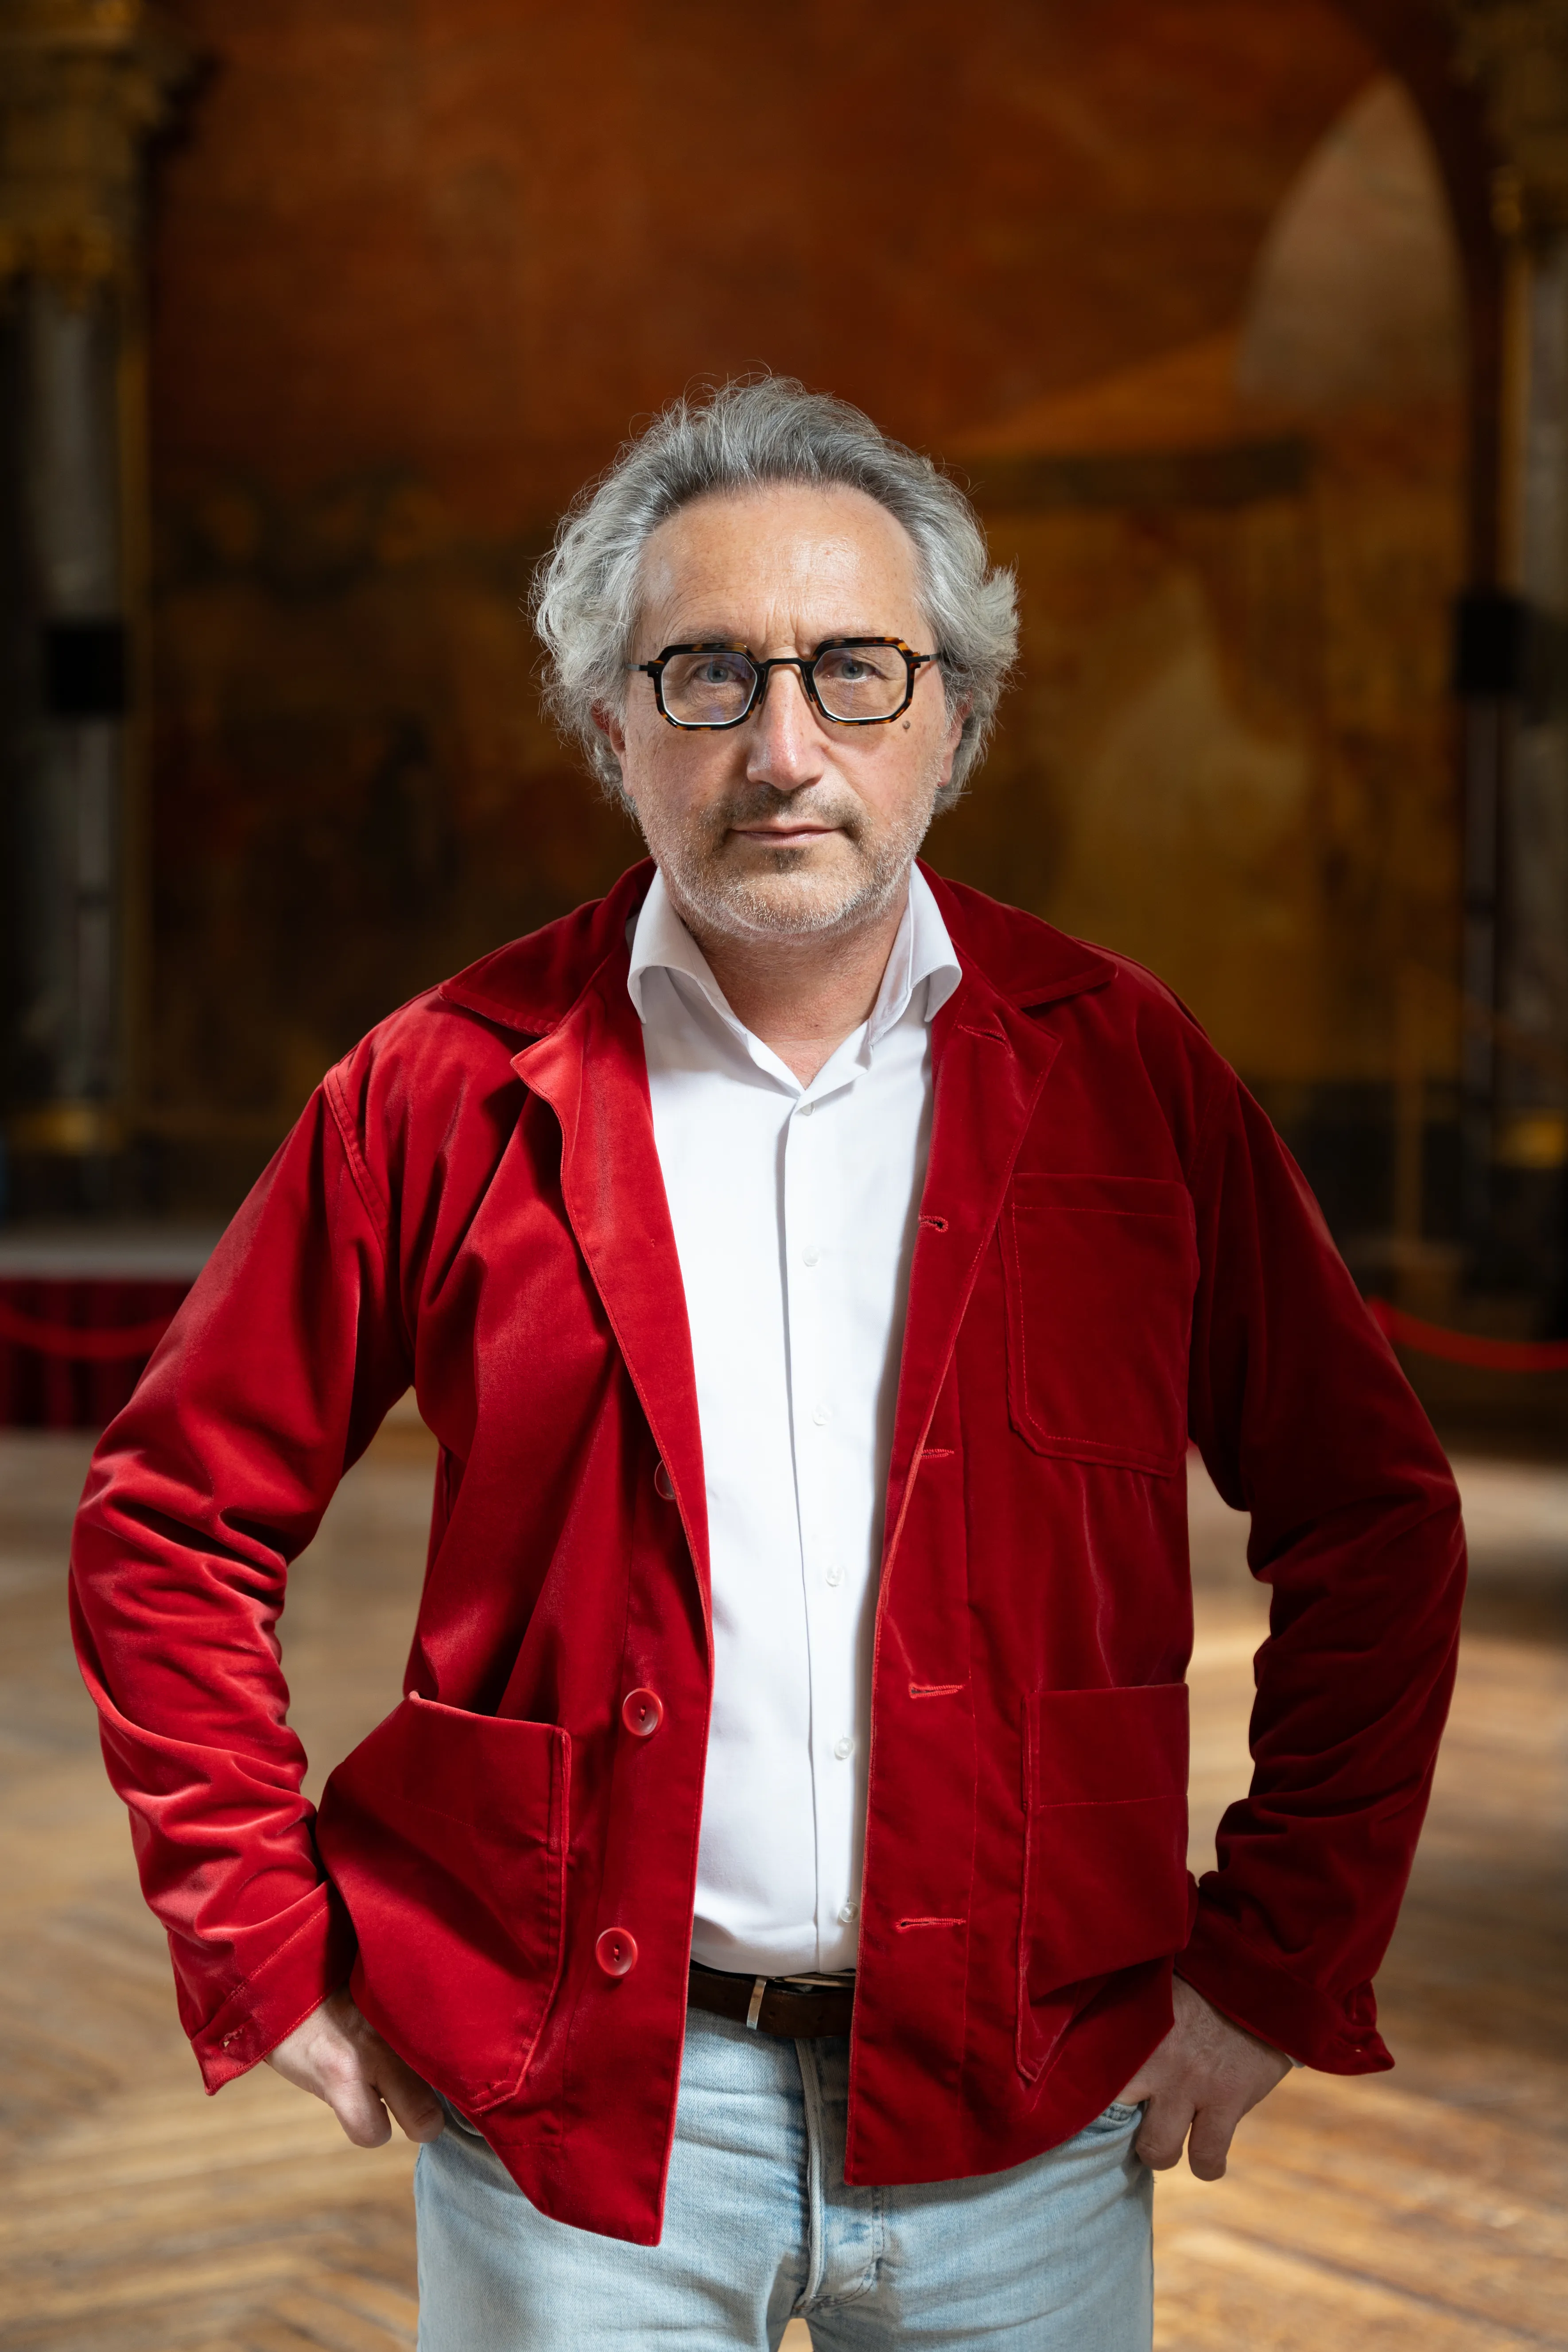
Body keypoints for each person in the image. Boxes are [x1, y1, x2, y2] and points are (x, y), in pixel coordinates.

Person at [71, 379, 1465, 2351]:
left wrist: (1273, 1960)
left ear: (952, 721)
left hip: (1025, 2113)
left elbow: (1375, 1517)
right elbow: (170, 1518)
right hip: (577, 2129)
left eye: (857, 674)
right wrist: (256, 1936)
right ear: (610, 724)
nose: (786, 750)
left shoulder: (1126, 1072)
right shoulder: (438, 1089)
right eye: (710, 675)